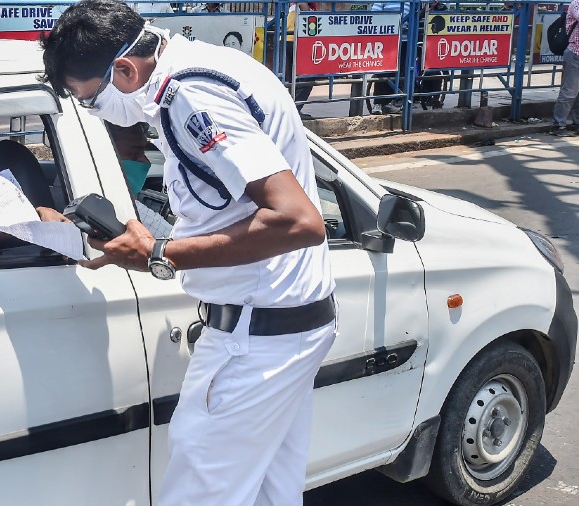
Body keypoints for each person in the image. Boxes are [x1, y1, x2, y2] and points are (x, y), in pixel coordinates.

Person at [40, 1, 336, 505]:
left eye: (91, 99)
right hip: (286, 326)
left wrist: (158, 250)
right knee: (270, 492)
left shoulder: (191, 98)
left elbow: (298, 220)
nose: (96, 110)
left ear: (126, 70)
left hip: (254, 337)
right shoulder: (205, 68)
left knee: (198, 494)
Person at [106, 122, 174, 237]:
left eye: (143, 152)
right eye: (134, 154)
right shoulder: (130, 211)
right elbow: (173, 242)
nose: (146, 162)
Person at [370, 1, 411, 114]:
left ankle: (394, 101)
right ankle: (378, 103)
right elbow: (374, 15)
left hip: (404, 41)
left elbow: (414, 17)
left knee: (400, 72)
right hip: (387, 41)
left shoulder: (408, 2)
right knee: (383, 72)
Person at [552, 0, 579, 136]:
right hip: (575, 53)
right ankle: (558, 125)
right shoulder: (576, 4)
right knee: (569, 92)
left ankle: (577, 124)